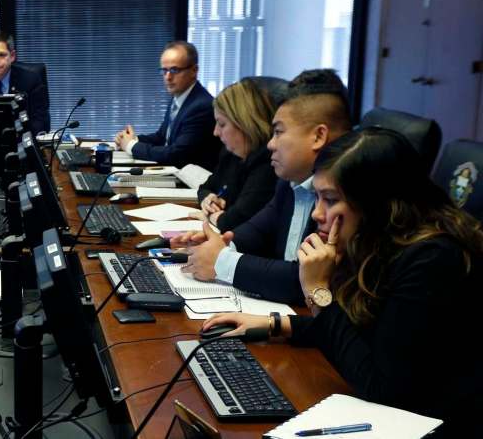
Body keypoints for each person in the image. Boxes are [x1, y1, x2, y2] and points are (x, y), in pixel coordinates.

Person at [203, 128, 483, 437]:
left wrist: (318, 291)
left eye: (331, 199)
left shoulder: (433, 259)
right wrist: (278, 324)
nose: (318, 213)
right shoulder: (377, 240)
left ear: (376, 204)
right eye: (318, 197)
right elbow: (364, 328)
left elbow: (382, 388)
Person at [178, 69, 352, 304]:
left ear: (318, 136)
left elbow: (307, 279)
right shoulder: (290, 183)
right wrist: (219, 245)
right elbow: (259, 230)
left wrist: (221, 261)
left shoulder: (347, 197)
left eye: (279, 132)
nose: (270, 144)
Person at [114, 41, 222, 169]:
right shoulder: (179, 96)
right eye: (164, 70)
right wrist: (129, 139)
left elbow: (176, 155)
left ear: (194, 70)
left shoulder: (201, 106)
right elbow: (162, 137)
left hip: (191, 183)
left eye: (174, 70)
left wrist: (131, 145)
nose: (168, 77)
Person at [197, 79, 278, 232]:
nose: (215, 132)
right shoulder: (231, 153)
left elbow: (233, 221)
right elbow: (205, 187)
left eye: (221, 124)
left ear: (245, 123)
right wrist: (207, 200)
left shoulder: (269, 162)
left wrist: (210, 217)